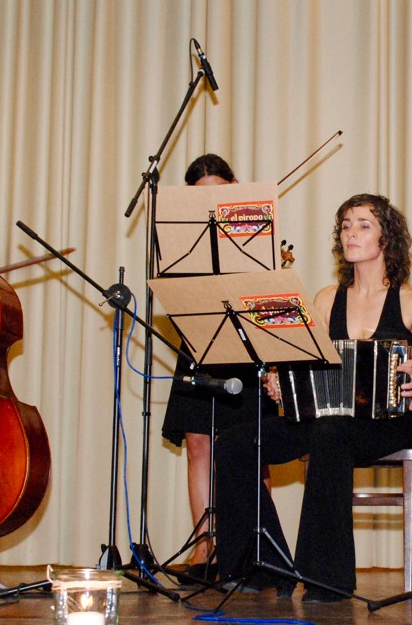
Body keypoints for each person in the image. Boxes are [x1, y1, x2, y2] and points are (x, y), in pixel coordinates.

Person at [214, 193, 412, 603]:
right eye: (345, 226)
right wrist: (279, 381)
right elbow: (300, 363)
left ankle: (327, 579)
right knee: (235, 444)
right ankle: (262, 565)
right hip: (326, 422)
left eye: (363, 225)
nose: (351, 233)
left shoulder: (410, 301)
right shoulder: (328, 299)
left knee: (330, 432)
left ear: (386, 238)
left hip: (384, 426)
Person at [160, 153, 276, 582]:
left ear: (235, 186)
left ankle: (256, 550)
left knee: (252, 448)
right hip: (201, 340)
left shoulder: (253, 228)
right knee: (198, 444)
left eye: (218, 193)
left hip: (247, 347)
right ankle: (203, 548)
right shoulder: (182, 235)